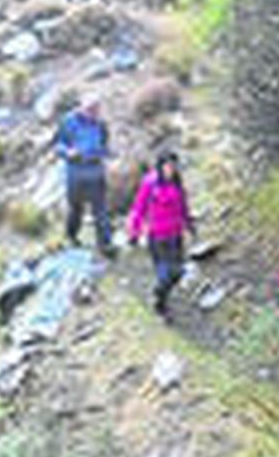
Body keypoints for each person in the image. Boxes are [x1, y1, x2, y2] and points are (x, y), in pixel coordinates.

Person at [128, 151, 194, 317]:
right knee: (165, 274)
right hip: (157, 237)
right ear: (161, 166)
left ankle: (160, 296)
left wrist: (189, 223)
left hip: (175, 235)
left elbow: (183, 205)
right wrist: (134, 231)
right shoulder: (150, 183)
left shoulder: (177, 183)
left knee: (178, 272)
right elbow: (139, 208)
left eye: (173, 166)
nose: (171, 170)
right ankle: (160, 302)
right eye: (168, 166)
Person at [56, 96, 115, 255]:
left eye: (96, 110)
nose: (93, 113)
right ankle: (71, 236)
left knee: (100, 210)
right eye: (90, 109)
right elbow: (58, 145)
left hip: (96, 172)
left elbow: (105, 145)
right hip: (75, 172)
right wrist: (68, 152)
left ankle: (105, 244)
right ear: (81, 107)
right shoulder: (68, 122)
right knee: (76, 208)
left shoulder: (101, 125)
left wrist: (106, 154)